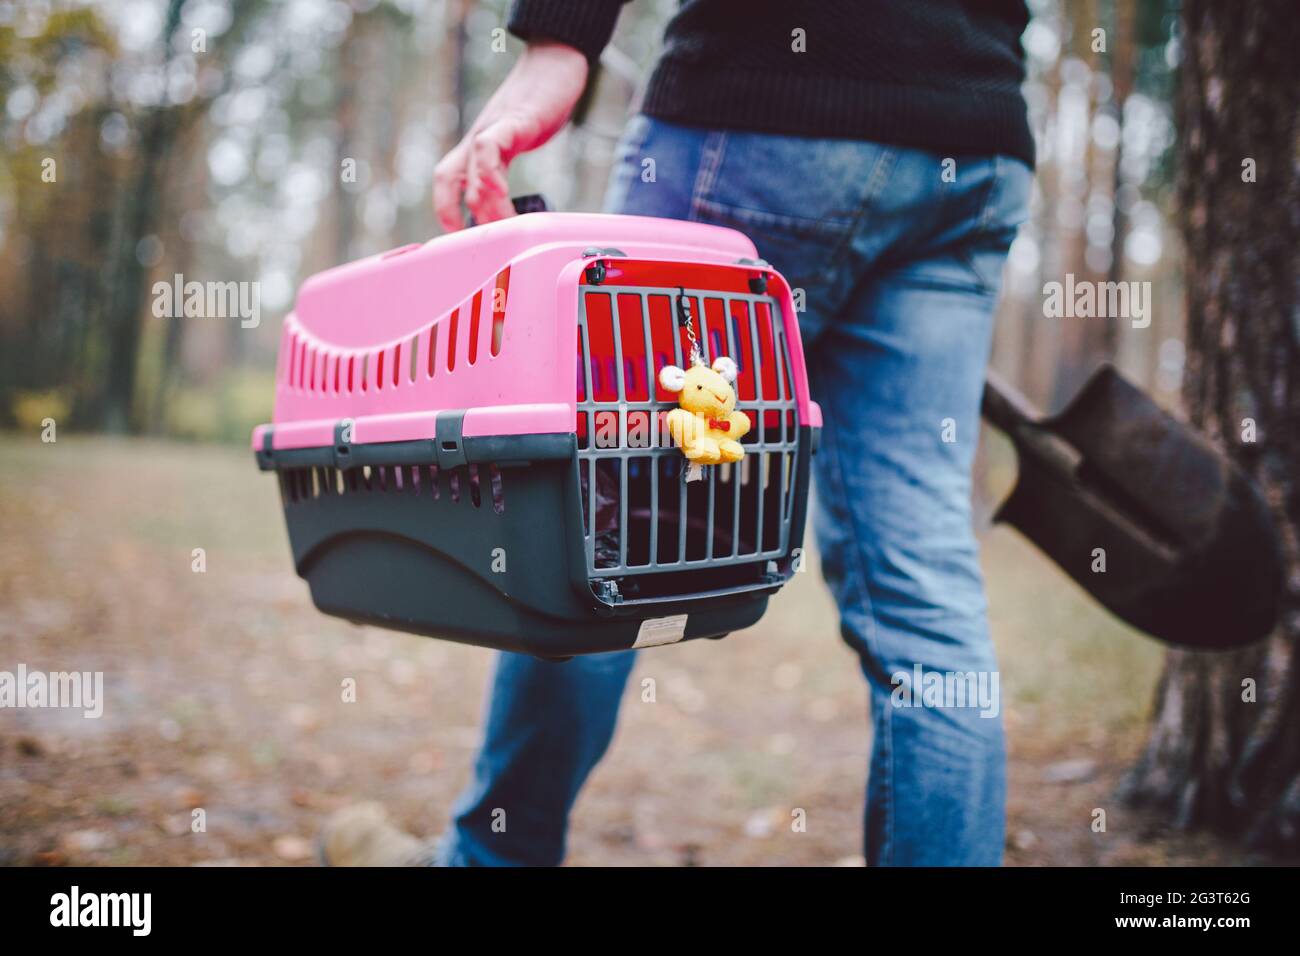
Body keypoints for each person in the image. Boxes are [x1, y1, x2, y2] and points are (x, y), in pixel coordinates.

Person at [322, 0, 1035, 867]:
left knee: (598, 522)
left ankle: (490, 859)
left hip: (766, 107)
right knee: (925, 586)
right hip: (973, 145)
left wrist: (562, 37)